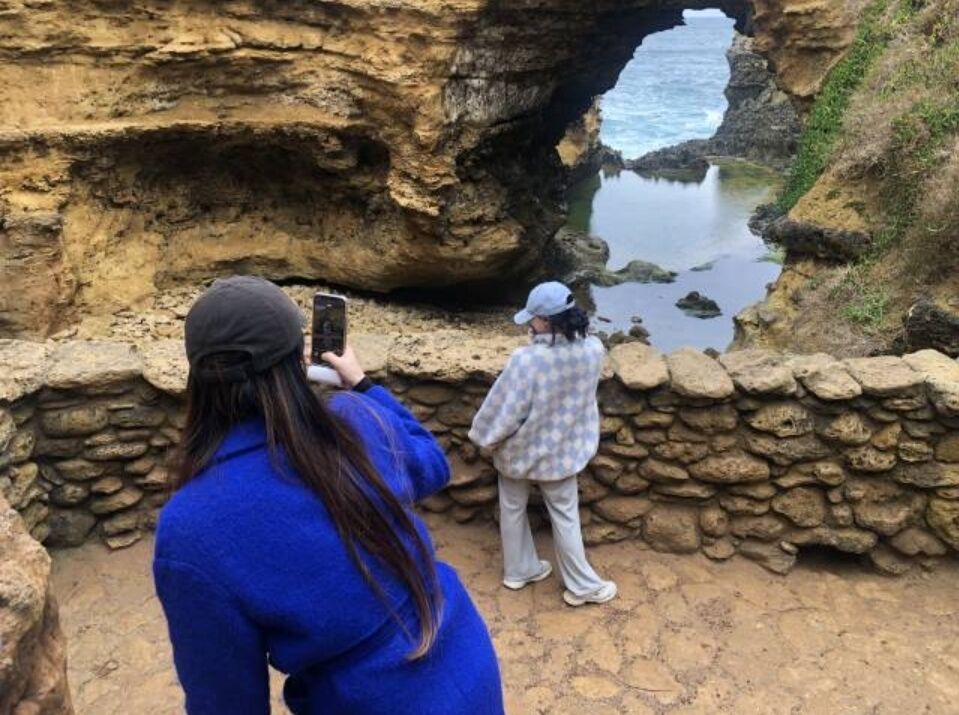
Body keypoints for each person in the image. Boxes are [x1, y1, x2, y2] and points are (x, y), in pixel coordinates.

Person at [153, 276, 503, 715]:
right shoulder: (356, 418)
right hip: (465, 659)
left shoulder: (190, 527)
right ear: (296, 363)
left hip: (369, 701)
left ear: (198, 380)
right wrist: (362, 385)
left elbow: (226, 702)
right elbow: (432, 465)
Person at [468, 281, 616, 607]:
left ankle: (518, 571)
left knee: (512, 508)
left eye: (533, 319)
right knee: (565, 516)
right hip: (562, 451)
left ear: (547, 321)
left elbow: (505, 409)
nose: (530, 326)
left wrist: (483, 437)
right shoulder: (593, 350)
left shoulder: (527, 360)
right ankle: (582, 586)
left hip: (518, 450)